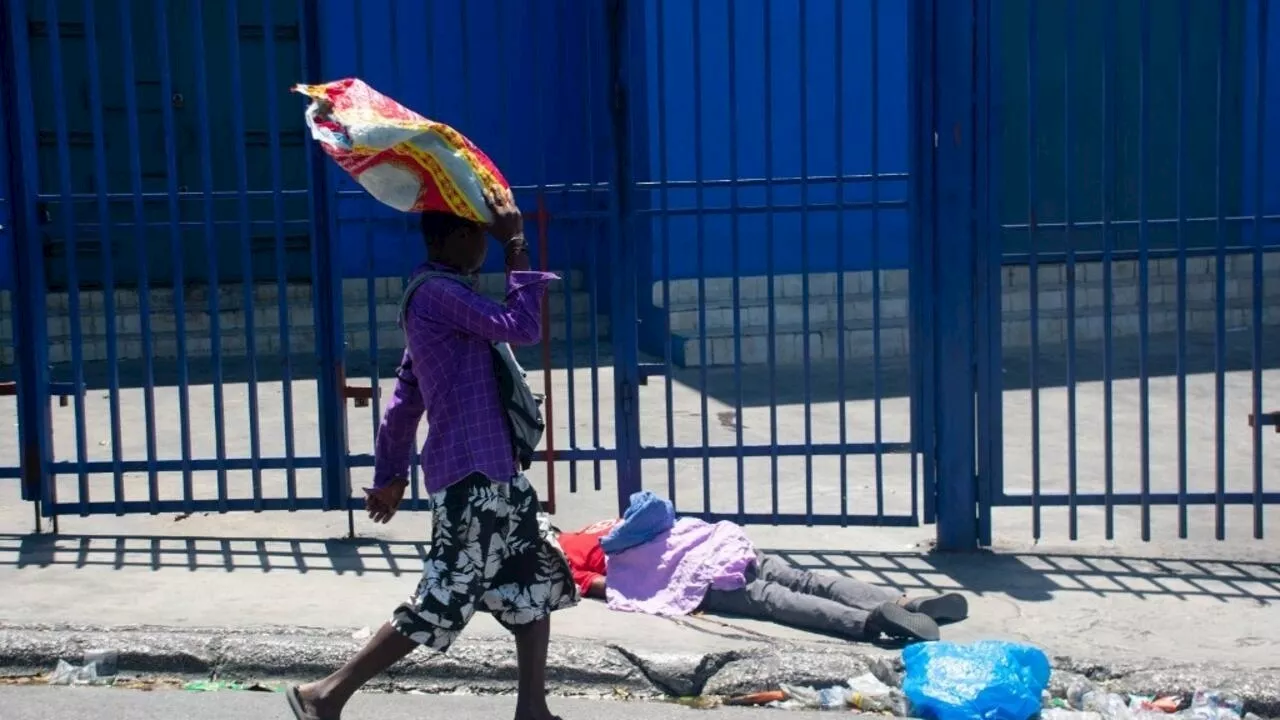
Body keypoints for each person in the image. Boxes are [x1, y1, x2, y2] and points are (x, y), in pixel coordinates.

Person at [287, 192, 577, 720]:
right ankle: (325, 694)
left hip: (497, 476)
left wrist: (390, 474)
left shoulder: (437, 302)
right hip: (471, 478)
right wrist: (515, 243)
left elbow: (403, 400)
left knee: (533, 583)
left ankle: (532, 708)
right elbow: (525, 328)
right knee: (442, 601)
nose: (480, 246)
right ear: (448, 240)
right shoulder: (438, 294)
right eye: (474, 235)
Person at [557, 519, 968, 643]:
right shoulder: (594, 527)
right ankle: (905, 601)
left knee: (771, 600)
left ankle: (872, 621)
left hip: (703, 576)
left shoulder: (558, 562)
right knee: (802, 578)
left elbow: (612, 588)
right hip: (720, 544)